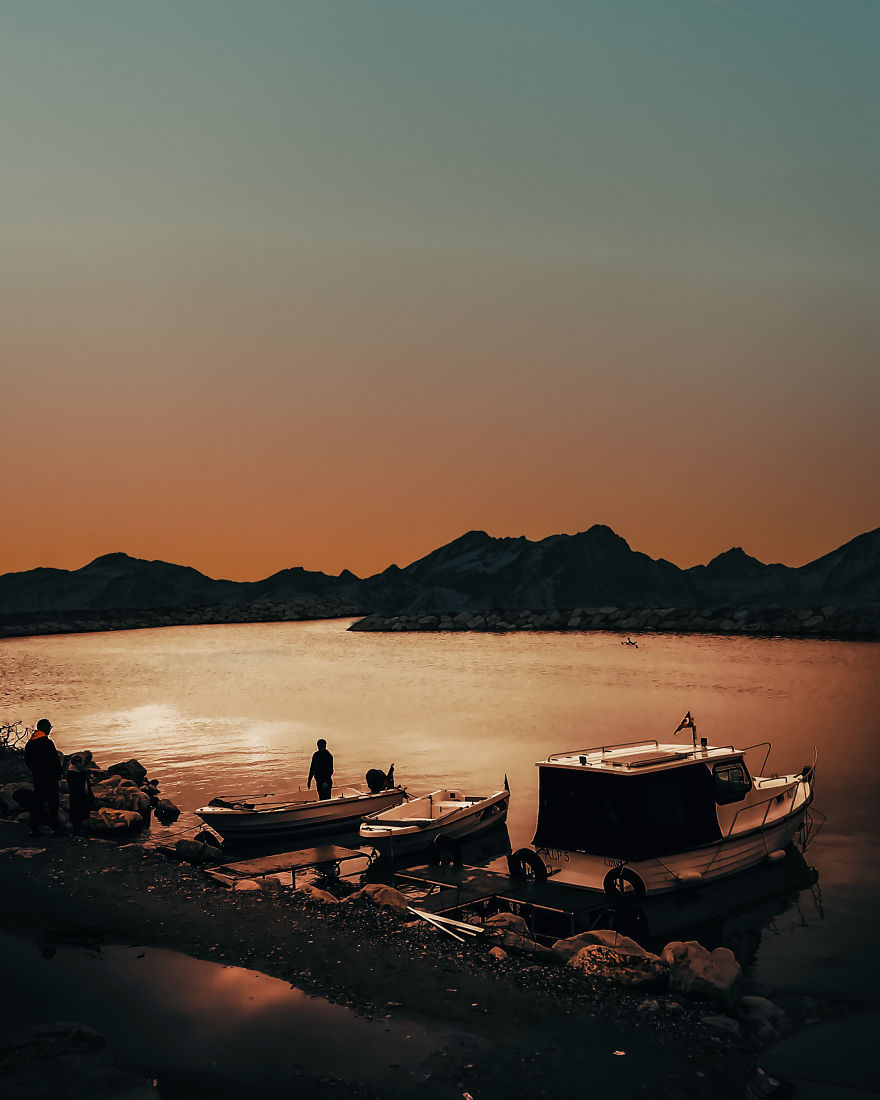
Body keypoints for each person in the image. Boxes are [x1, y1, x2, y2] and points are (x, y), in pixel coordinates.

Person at [24, 719, 63, 835]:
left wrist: (35, 771)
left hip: (38, 777)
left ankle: (34, 828)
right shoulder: (47, 743)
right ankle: (55, 829)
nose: (50, 730)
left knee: (38, 802)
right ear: (45, 728)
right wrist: (58, 774)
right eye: (49, 728)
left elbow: (28, 761)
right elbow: (55, 761)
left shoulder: (30, 743)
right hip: (50, 778)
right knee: (53, 804)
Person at [66, 753, 94, 830]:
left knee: (80, 801)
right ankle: (77, 824)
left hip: (77, 781)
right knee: (78, 802)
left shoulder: (78, 761)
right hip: (76, 783)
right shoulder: (78, 760)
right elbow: (80, 767)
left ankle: (79, 822)